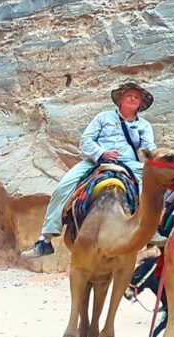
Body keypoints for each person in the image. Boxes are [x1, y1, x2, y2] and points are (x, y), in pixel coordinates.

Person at [22, 82, 156, 258]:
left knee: (149, 190)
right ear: (120, 99)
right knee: (64, 187)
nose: (133, 98)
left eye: (137, 97)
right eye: (129, 95)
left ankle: (151, 231)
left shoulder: (144, 126)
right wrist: (102, 153)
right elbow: (86, 140)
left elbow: (148, 148)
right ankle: (45, 239)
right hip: (95, 161)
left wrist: (149, 157)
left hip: (130, 163)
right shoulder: (103, 118)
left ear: (140, 104)